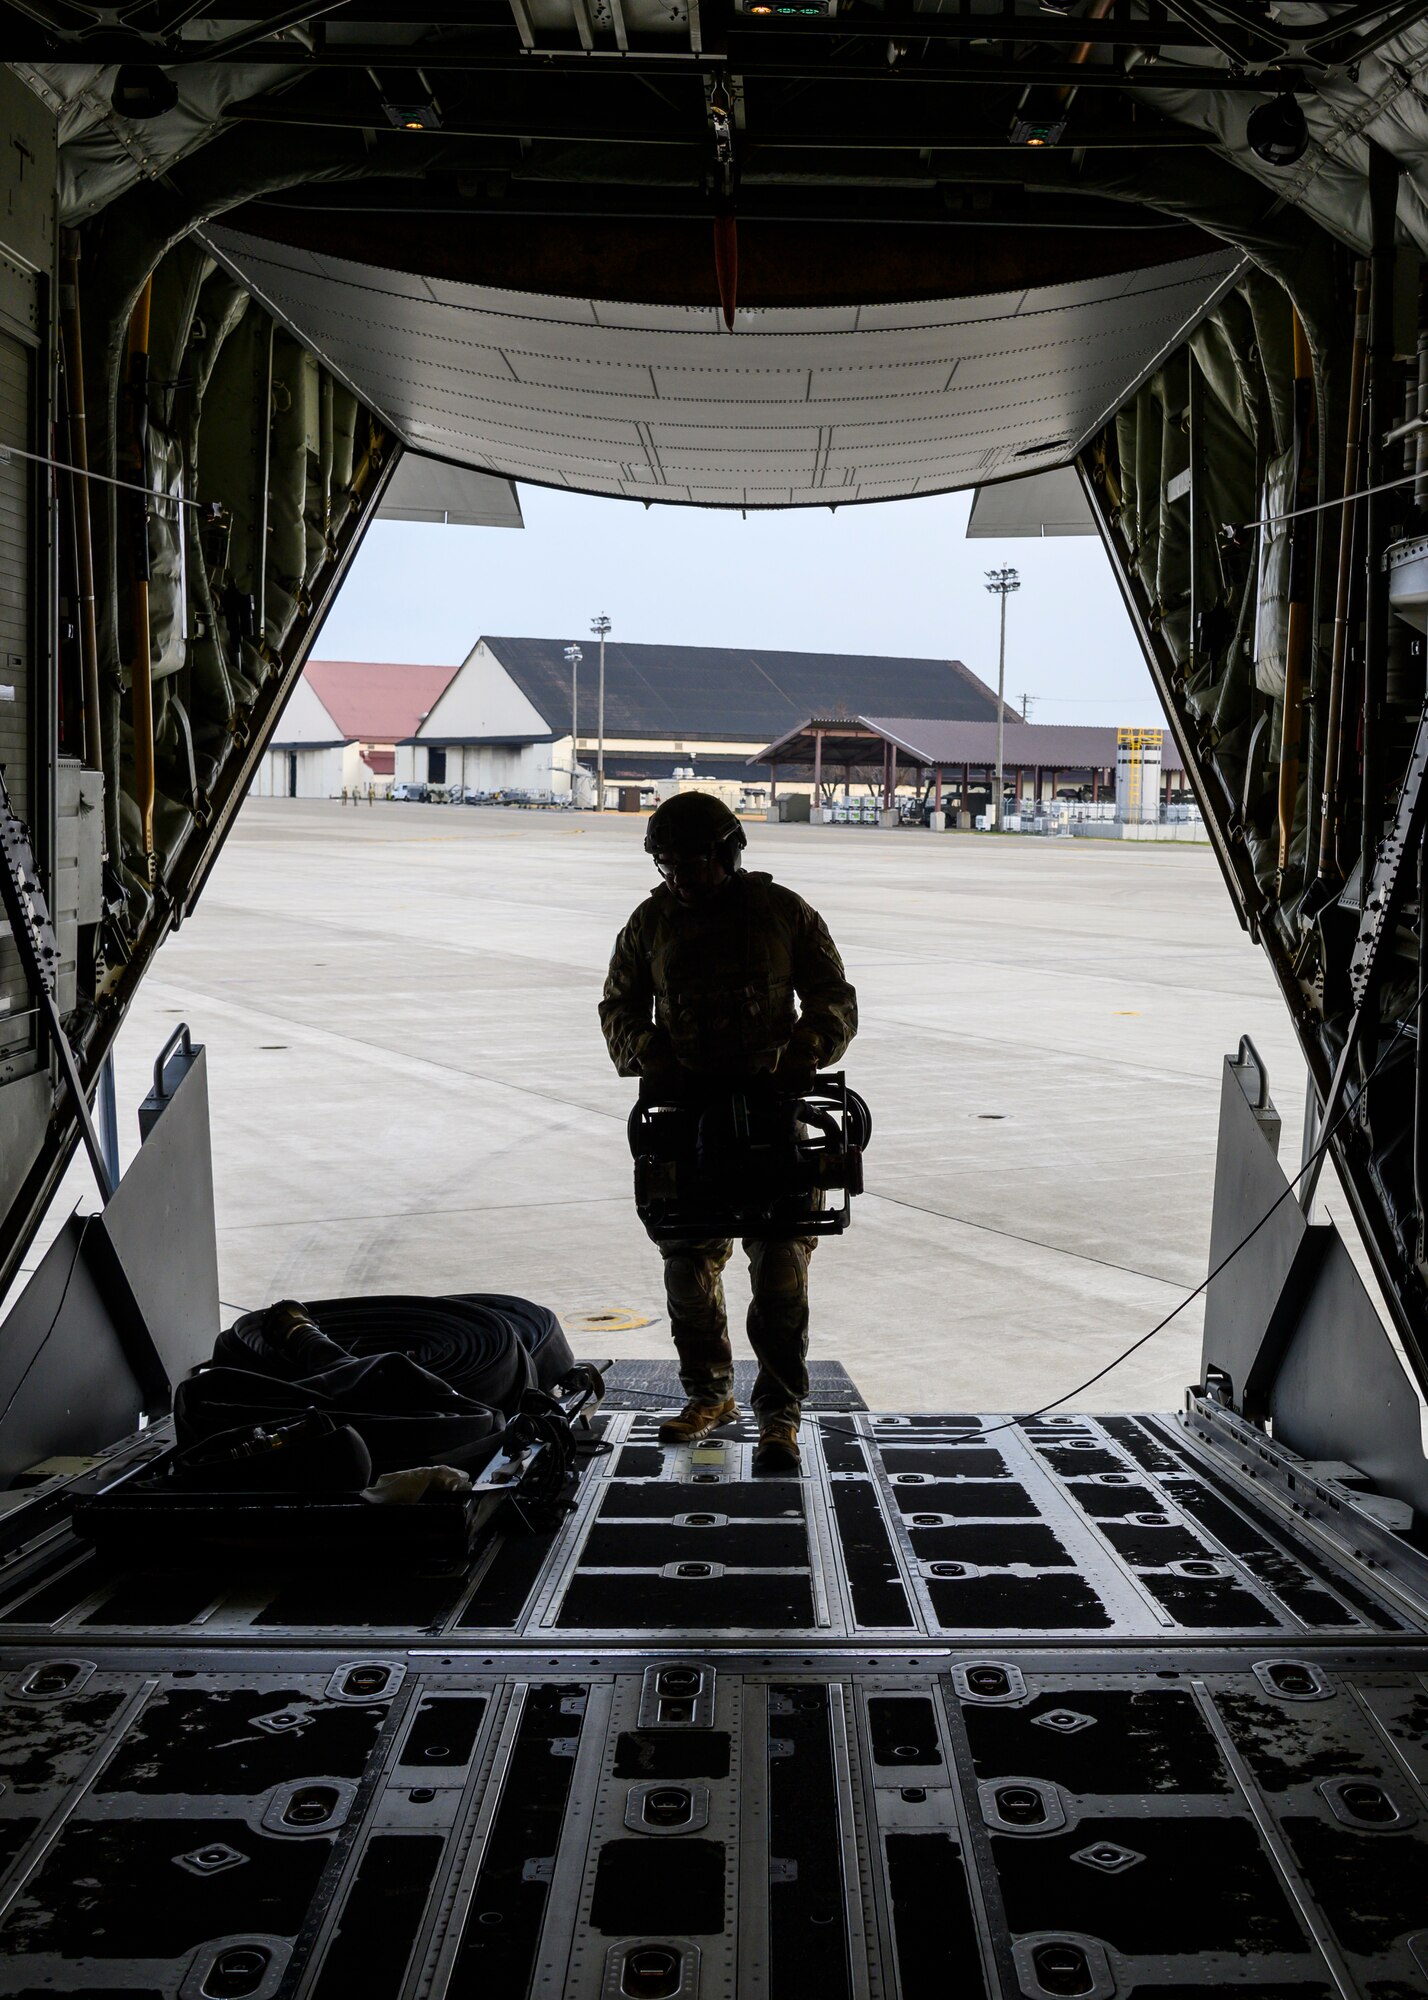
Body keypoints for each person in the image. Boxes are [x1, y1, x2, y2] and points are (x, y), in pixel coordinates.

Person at [599, 791, 858, 1471]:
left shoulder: (782, 913)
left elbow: (834, 998)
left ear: (727, 854)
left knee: (779, 1276)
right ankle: (709, 1394)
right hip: (691, 1123)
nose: (680, 878)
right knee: (688, 1269)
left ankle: (781, 1416)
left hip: (773, 1117)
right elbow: (619, 1003)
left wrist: (802, 1054)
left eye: (692, 863)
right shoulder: (649, 923)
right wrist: (650, 1056)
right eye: (667, 866)